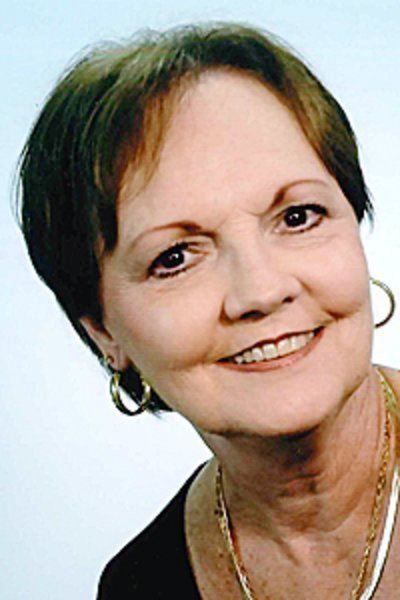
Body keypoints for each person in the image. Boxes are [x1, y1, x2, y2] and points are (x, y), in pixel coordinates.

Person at [18, 22, 399, 599]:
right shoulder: (137, 587)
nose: (262, 291)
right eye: (174, 258)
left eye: (297, 217)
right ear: (102, 332)